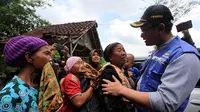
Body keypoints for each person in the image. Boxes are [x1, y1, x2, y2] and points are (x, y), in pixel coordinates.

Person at [102, 5, 200, 112]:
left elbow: (165, 102)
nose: (141, 35)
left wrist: (122, 90)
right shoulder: (157, 51)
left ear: (160, 28)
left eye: (144, 30)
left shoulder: (184, 56)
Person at [0, 36, 51, 111]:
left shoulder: (37, 86)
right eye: (47, 53)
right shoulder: (10, 94)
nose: (50, 59)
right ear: (29, 57)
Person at [99, 42, 134, 112]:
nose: (124, 53)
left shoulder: (123, 71)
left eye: (124, 50)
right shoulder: (109, 73)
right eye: (119, 50)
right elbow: (111, 106)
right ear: (110, 57)